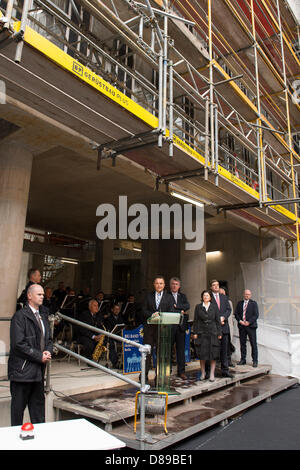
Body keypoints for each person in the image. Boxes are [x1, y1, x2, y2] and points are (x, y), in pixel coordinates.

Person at [8, 284, 53, 426]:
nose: (42, 297)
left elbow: (49, 339)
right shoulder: (20, 317)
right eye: (39, 294)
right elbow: (18, 344)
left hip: (38, 373)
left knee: (38, 413)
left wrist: (48, 350)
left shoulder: (43, 316)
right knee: (17, 413)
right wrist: (39, 356)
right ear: (29, 296)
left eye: (43, 295)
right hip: (22, 373)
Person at [142, 276, 175, 383]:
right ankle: (144, 375)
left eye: (161, 283)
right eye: (157, 283)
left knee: (161, 353)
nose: (159, 285)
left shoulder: (169, 297)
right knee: (147, 353)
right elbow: (143, 310)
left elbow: (171, 311)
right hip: (149, 330)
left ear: (164, 285)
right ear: (154, 284)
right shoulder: (148, 296)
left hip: (162, 329)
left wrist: (161, 315)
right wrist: (152, 314)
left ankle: (159, 375)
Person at [192, 290, 222, 382]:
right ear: (202, 297)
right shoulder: (198, 307)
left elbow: (217, 321)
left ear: (210, 297)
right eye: (204, 295)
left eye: (207, 295)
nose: (205, 297)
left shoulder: (214, 307)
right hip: (202, 332)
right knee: (202, 354)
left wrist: (219, 333)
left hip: (212, 332)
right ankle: (203, 373)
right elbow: (196, 320)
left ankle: (212, 374)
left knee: (213, 354)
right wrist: (195, 333)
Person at [210, 279, 233, 378]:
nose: (216, 287)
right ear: (211, 287)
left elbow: (229, 309)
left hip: (224, 327)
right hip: (213, 328)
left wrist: (223, 317)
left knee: (224, 350)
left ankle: (225, 370)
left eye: (217, 285)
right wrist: (217, 319)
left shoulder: (224, 297)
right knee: (212, 350)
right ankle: (210, 371)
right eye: (214, 285)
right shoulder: (208, 297)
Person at [169, 277, 190, 380]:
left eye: (176, 284)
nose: (174, 286)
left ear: (179, 286)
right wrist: (180, 309)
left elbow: (187, 306)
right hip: (170, 326)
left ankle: (181, 371)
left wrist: (177, 306)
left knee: (181, 350)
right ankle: (167, 371)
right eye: (173, 284)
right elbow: (168, 307)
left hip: (181, 327)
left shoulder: (183, 296)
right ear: (170, 285)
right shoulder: (166, 295)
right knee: (168, 349)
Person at [234, 289, 259, 367]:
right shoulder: (239, 303)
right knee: (242, 344)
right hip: (242, 326)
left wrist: (249, 322)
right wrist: (240, 321)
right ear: (243, 295)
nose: (247, 295)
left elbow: (256, 315)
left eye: (248, 294)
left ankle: (255, 360)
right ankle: (243, 359)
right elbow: (236, 314)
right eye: (246, 294)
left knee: (253, 344)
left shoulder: (253, 304)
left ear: (250, 295)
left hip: (251, 326)